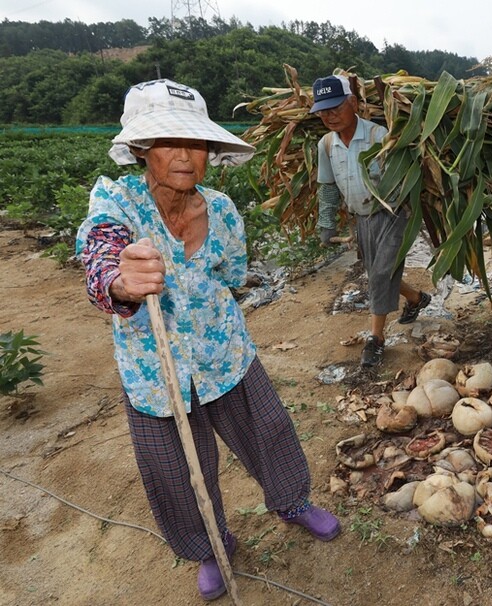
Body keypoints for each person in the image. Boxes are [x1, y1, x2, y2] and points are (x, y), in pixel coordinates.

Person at [76, 79, 341, 601]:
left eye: (195, 143)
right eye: (168, 142)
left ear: (210, 152)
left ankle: (291, 503)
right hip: (157, 371)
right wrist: (119, 281)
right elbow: (101, 249)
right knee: (175, 470)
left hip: (225, 353)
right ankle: (210, 544)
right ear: (140, 149)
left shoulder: (221, 210)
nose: (184, 155)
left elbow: (233, 273)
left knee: (268, 430)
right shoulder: (117, 200)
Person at [312, 74, 431, 368]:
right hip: (362, 219)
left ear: (353, 103)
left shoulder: (380, 137)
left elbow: (406, 177)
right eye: (323, 111)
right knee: (380, 273)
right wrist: (326, 223)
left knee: (379, 275)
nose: (329, 116)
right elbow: (327, 187)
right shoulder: (326, 145)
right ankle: (416, 298)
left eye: (335, 108)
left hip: (393, 213)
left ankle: (376, 340)